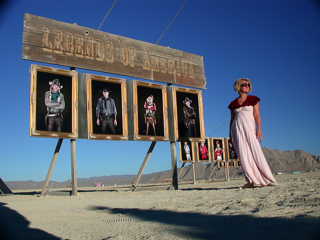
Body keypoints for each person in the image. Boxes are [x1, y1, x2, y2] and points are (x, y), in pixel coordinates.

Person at [228, 78, 277, 188]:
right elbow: (232, 119)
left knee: (255, 151)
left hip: (250, 129)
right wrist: (230, 134)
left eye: (248, 85)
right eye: (244, 84)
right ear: (238, 86)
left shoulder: (253, 100)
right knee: (243, 155)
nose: (247, 86)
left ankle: (266, 178)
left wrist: (259, 130)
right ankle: (250, 181)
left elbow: (256, 115)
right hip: (237, 130)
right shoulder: (233, 103)